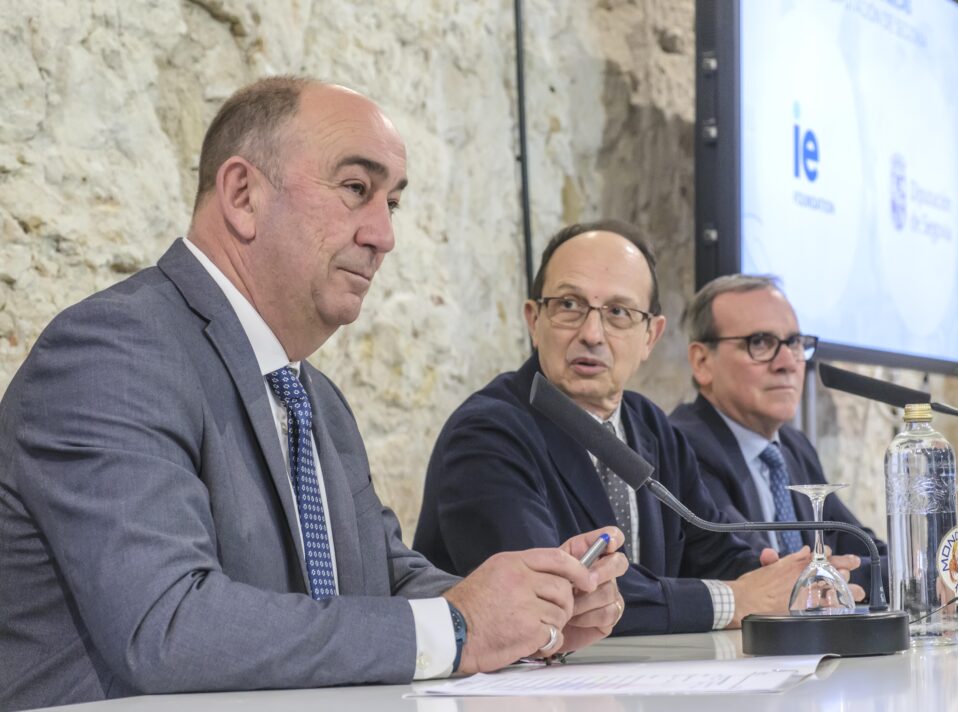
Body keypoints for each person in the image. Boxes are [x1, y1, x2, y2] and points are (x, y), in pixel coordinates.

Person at [0, 76, 628, 711]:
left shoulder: (313, 395)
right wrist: (462, 628)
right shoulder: (113, 352)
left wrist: (532, 608)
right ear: (242, 195)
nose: (384, 236)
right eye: (356, 189)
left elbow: (383, 581)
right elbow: (169, 627)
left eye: (392, 204)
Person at [413, 221, 860, 636]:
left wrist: (785, 579)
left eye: (618, 312)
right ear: (534, 320)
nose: (592, 333)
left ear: (651, 336)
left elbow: (712, 547)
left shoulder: (650, 426)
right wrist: (733, 599)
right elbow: (561, 598)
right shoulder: (486, 434)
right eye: (569, 306)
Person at [669, 274, 958, 592]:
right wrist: (942, 569)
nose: (787, 362)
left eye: (794, 342)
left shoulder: (792, 447)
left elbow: (863, 546)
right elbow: (762, 572)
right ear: (702, 362)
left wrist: (929, 563)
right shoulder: (683, 446)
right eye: (759, 343)